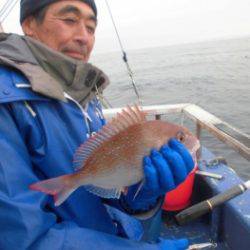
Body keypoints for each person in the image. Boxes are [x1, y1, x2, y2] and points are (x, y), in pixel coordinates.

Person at [0, 1, 194, 249]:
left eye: (91, 27)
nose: (84, 37)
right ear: (29, 25)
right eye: (69, 20)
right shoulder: (7, 103)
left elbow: (102, 191)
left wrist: (141, 195)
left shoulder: (84, 98)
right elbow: (21, 239)